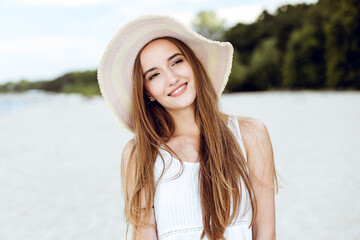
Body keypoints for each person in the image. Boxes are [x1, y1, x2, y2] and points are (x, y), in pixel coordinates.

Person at [97, 15, 278, 240]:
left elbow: (266, 233)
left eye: (176, 62)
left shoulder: (251, 134)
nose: (172, 78)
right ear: (147, 93)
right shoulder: (140, 153)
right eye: (154, 75)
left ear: (193, 64)